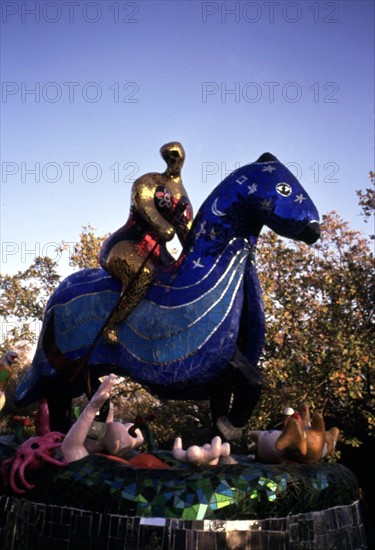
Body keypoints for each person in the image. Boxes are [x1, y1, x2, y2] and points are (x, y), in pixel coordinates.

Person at [99, 141, 193, 343]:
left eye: (176, 156)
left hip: (159, 253)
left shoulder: (183, 197)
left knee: (178, 281)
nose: (173, 161)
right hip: (127, 244)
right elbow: (142, 201)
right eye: (169, 157)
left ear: (183, 158)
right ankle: (112, 324)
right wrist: (160, 225)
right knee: (142, 274)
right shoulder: (150, 181)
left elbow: (187, 235)